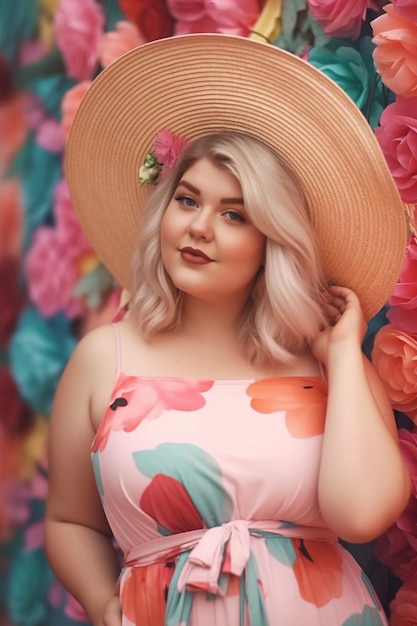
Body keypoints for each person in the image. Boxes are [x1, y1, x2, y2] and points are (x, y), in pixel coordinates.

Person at [44, 33, 411, 626]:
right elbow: (70, 521)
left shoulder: (333, 365)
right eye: (187, 201)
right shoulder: (102, 358)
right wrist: (105, 605)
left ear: (273, 240)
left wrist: (343, 354)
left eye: (234, 214)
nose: (200, 227)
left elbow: (361, 515)